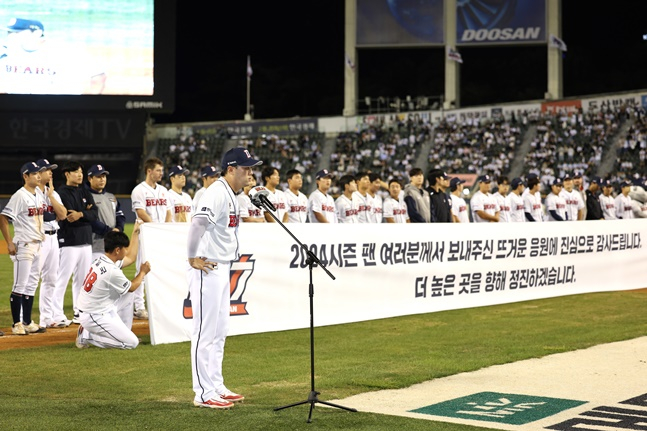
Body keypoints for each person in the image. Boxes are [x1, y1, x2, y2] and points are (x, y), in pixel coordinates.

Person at [187, 147, 261, 409]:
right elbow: (197, 223)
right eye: (246, 168)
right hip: (208, 266)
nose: (250, 173)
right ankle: (203, 392)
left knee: (220, 330)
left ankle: (216, 384)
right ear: (231, 169)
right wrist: (191, 256)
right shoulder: (217, 192)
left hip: (221, 265)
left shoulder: (231, 193)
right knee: (205, 332)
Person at [75, 229, 150, 349]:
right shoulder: (111, 270)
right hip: (94, 315)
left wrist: (135, 233)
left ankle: (125, 332)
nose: (126, 251)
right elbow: (132, 287)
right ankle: (86, 335)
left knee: (127, 295)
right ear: (117, 250)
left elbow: (131, 257)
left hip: (99, 306)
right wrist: (142, 272)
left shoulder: (103, 259)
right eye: (124, 248)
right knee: (132, 343)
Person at [0, 18, 106, 95]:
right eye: (9, 32)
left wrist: (85, 106)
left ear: (37, 33)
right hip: (16, 112)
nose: (10, 36)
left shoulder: (66, 52)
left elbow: (98, 77)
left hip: (57, 111)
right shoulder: (5, 50)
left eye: (16, 33)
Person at [0, 162, 46, 335]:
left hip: (38, 244)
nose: (38, 176)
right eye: (34, 174)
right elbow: (3, 218)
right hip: (24, 245)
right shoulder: (19, 195)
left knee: (31, 285)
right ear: (25, 177)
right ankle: (16, 324)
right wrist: (9, 242)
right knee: (20, 285)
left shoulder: (39, 194)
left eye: (38, 173)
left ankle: (27, 322)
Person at [55, 161, 98, 324]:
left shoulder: (85, 191)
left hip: (85, 240)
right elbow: (68, 216)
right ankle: (56, 313)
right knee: (62, 278)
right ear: (67, 174)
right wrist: (84, 212)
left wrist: (81, 214)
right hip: (69, 240)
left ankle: (79, 311)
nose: (80, 175)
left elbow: (95, 213)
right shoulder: (62, 193)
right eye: (76, 172)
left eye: (81, 172)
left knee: (82, 279)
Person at [29, 159, 68, 329]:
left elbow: (63, 215)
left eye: (52, 170)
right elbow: (42, 216)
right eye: (47, 170)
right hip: (39, 238)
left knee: (51, 279)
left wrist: (51, 196)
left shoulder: (53, 192)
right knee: (31, 278)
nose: (51, 172)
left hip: (53, 238)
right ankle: (23, 318)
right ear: (38, 173)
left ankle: (46, 317)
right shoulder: (30, 193)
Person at [131, 157, 172, 320]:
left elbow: (169, 211)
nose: (161, 173)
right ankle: (139, 306)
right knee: (142, 269)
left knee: (160, 270)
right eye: (158, 170)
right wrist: (156, 227)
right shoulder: (139, 190)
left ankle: (157, 304)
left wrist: (166, 227)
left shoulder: (163, 190)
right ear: (149, 171)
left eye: (161, 170)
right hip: (145, 235)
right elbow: (140, 212)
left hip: (160, 235)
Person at [87, 164, 125, 261]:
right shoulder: (87, 197)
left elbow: (120, 215)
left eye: (103, 176)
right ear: (90, 178)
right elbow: (90, 220)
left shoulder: (111, 196)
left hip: (112, 246)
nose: (102, 179)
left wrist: (119, 229)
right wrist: (109, 231)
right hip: (96, 246)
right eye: (98, 177)